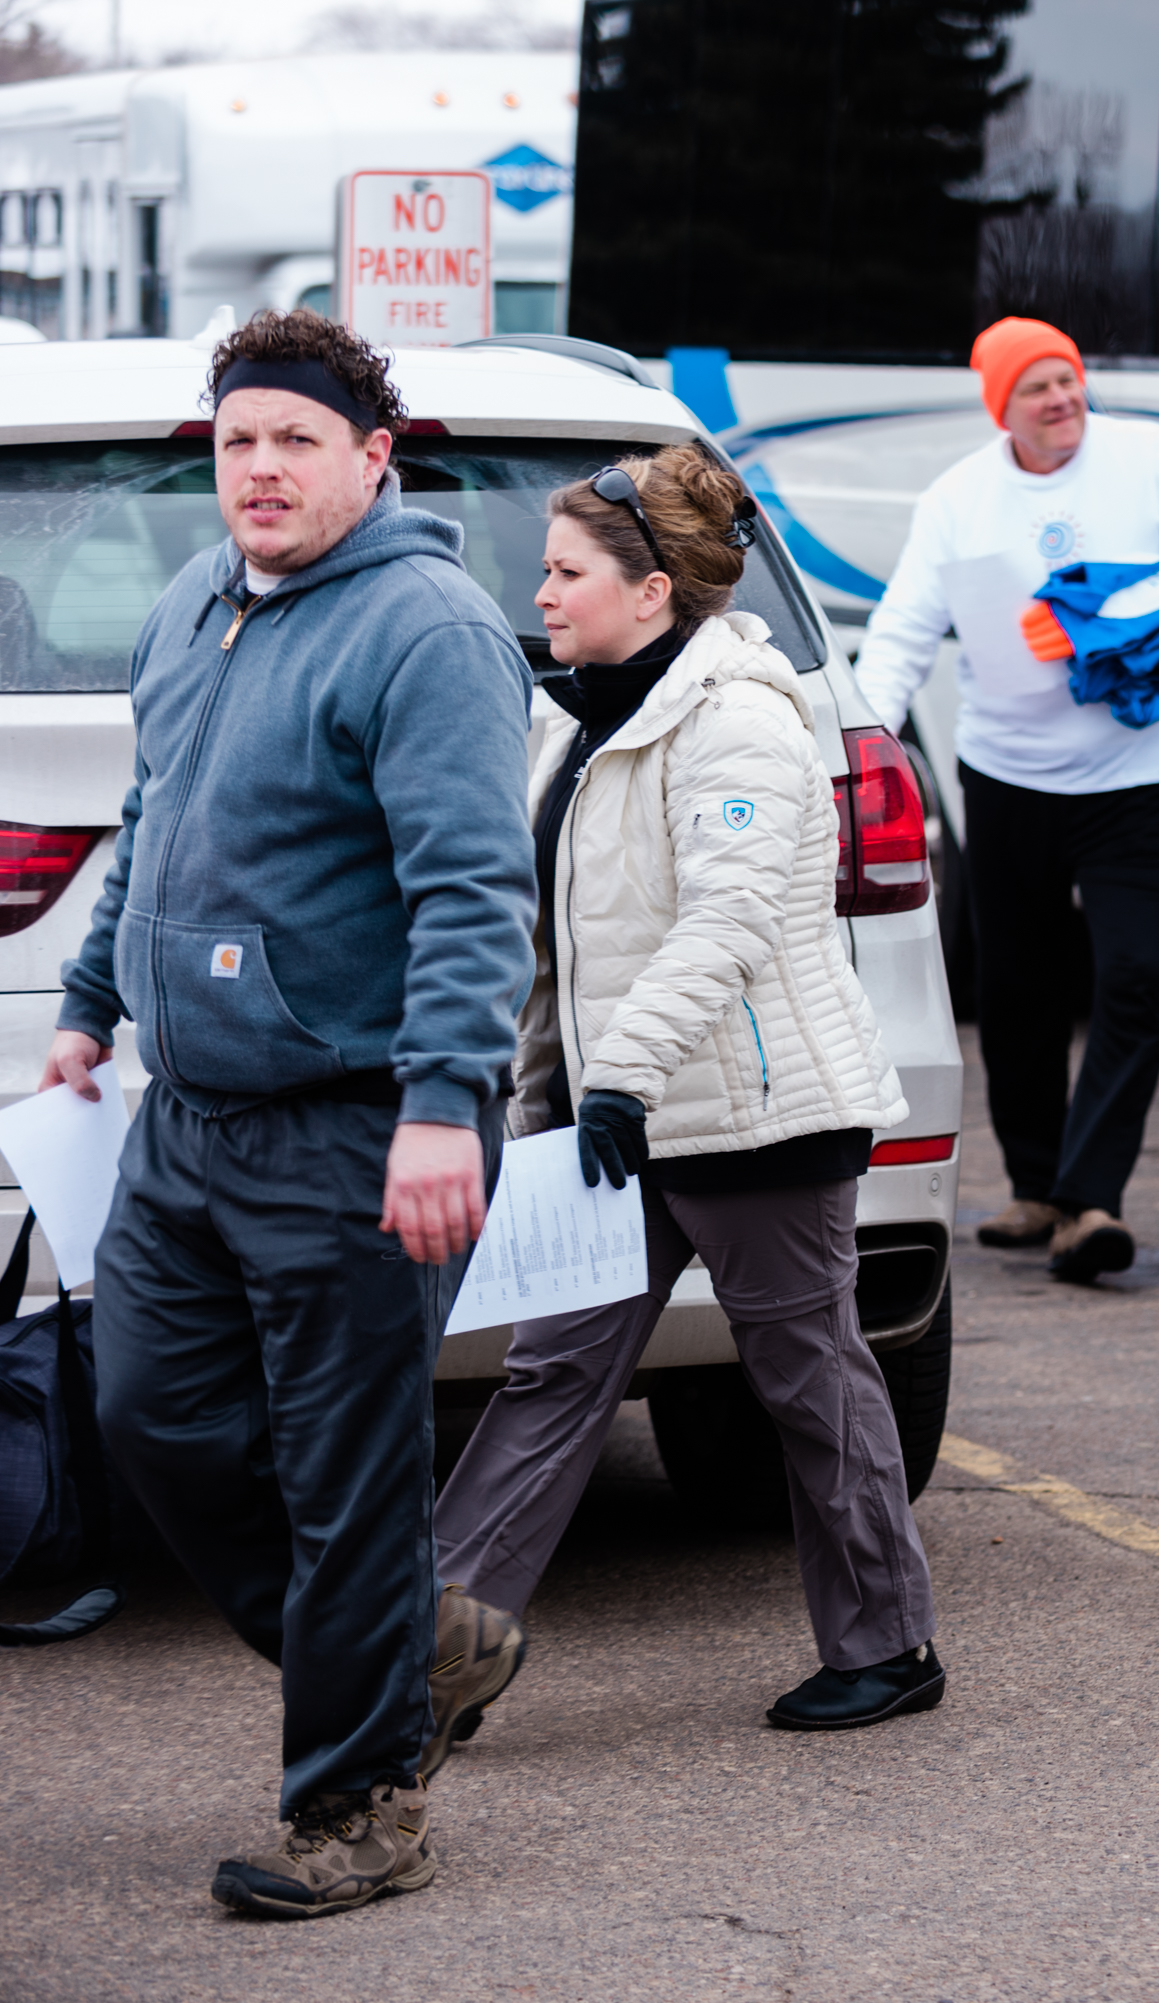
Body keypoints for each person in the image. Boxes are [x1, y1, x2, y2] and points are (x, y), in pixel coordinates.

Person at [39, 309, 534, 1916]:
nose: (260, 468)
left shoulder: (429, 633)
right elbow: (151, 817)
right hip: (188, 1120)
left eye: (296, 440)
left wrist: (444, 1101)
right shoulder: (195, 601)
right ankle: (416, 1646)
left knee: (347, 1478)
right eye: (238, 439)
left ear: (372, 459)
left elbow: (473, 890)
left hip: (356, 1124)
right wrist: (91, 999)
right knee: (149, 1419)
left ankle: (361, 1803)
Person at [429, 446, 945, 1739]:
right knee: (552, 1374)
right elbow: (564, 940)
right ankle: (429, 1652)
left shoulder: (740, 718)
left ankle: (887, 1643)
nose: (540, 592)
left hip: (756, 1117)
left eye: (565, 571)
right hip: (614, 1120)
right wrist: (540, 1093)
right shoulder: (576, 720)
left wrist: (621, 1074)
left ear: (651, 589)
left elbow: (727, 921)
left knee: (810, 1380)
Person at [852, 316, 1159, 1284]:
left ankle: (1091, 1200)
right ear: (1003, 406)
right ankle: (1036, 1183)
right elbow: (903, 630)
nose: (1061, 398)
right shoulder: (959, 499)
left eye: (1068, 378)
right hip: (1007, 781)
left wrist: (1109, 606)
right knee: (1016, 991)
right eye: (1036, 386)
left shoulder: (1151, 460)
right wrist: (858, 738)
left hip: (1141, 782)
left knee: (1132, 980)